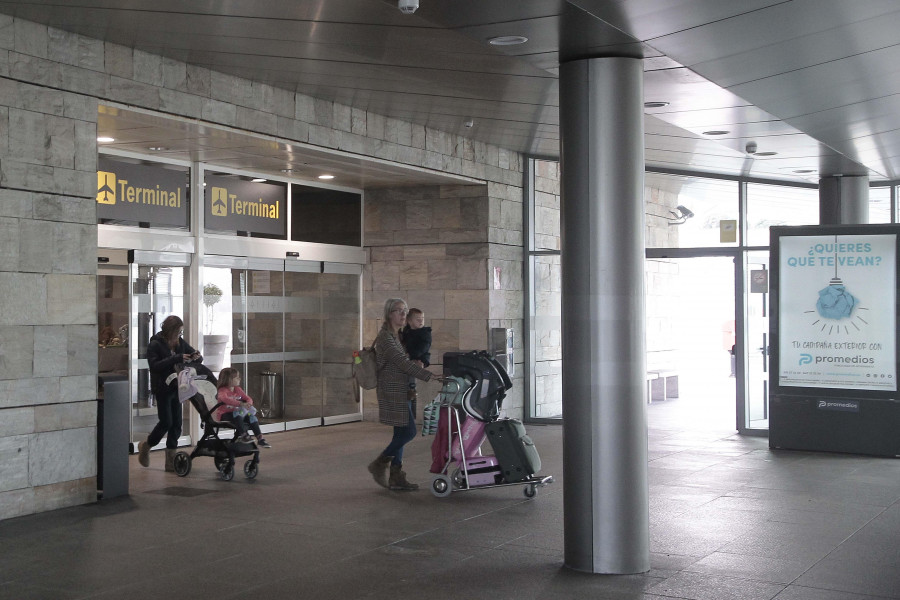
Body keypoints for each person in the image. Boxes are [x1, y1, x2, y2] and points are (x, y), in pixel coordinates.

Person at [367, 298, 440, 491]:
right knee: (409, 431)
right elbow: (402, 363)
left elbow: (410, 359)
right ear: (389, 313)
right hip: (392, 390)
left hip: (404, 389)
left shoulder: (399, 335)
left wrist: (421, 362)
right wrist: (430, 376)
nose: (403, 315)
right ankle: (379, 463)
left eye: (405, 311)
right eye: (399, 311)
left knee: (400, 432)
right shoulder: (386, 337)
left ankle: (396, 475)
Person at [138, 315, 201, 471]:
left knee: (177, 424)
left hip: (177, 387)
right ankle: (147, 445)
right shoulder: (155, 344)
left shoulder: (180, 343)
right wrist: (176, 358)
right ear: (171, 330)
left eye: (181, 331)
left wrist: (196, 357)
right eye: (178, 331)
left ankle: (170, 459)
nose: (180, 334)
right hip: (162, 387)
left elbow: (195, 356)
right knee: (166, 421)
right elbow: (154, 366)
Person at [215, 367, 271, 448]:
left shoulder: (238, 389)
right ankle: (243, 435)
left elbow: (248, 398)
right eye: (236, 377)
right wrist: (240, 404)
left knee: (251, 417)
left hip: (238, 414)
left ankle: (260, 438)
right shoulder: (222, 390)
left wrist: (248, 404)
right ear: (229, 379)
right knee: (237, 412)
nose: (239, 379)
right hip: (225, 415)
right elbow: (225, 399)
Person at [400, 307, 432, 404]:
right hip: (409, 358)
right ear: (409, 321)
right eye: (418, 319)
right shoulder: (407, 331)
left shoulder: (425, 333)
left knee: (412, 381)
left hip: (420, 357)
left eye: (422, 318)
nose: (421, 321)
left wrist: (411, 354)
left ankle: (412, 392)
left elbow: (424, 347)